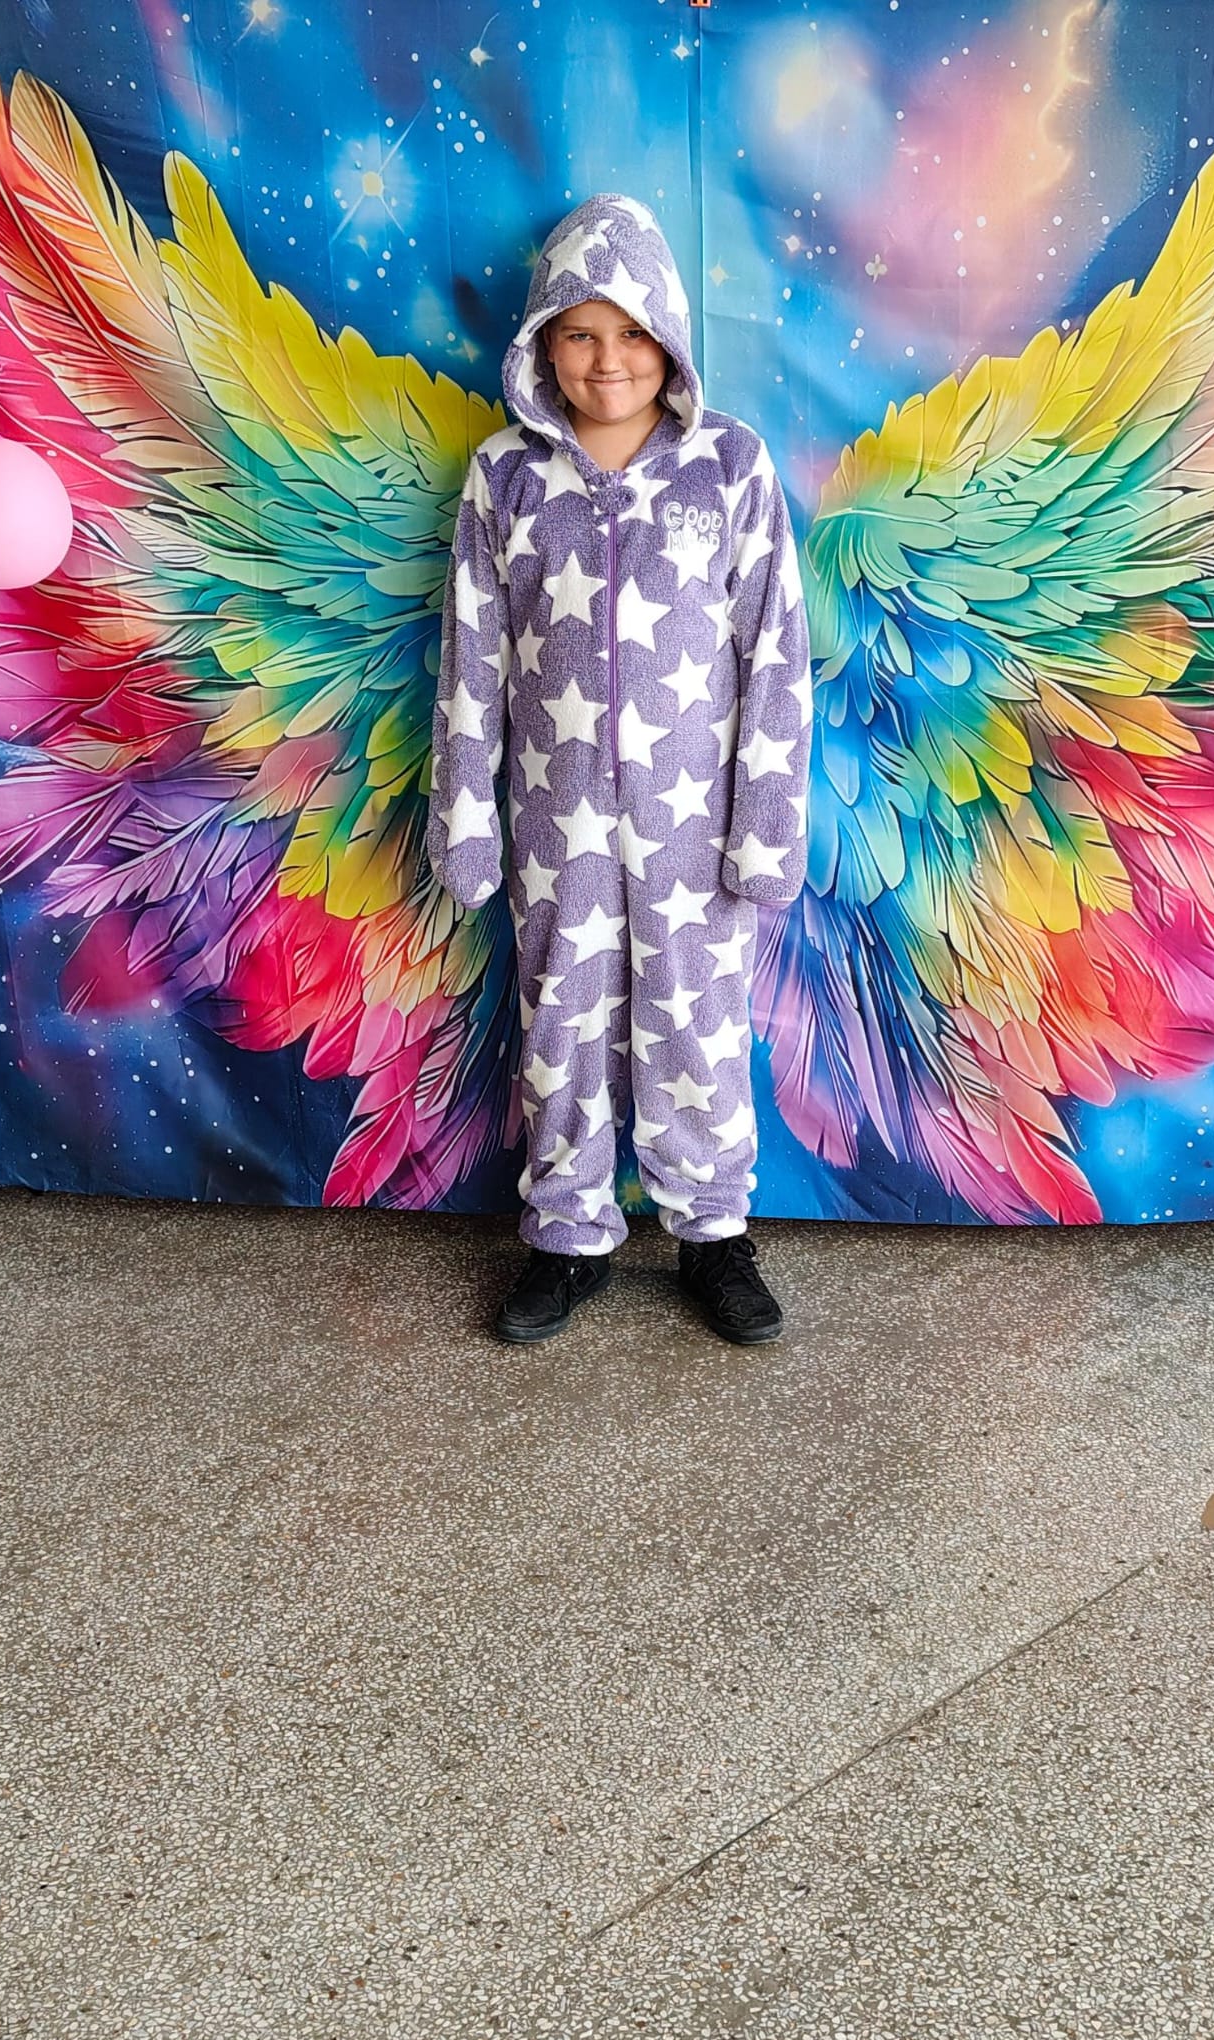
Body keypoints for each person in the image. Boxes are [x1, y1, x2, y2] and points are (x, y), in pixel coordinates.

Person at [428, 193, 811, 1346]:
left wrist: (766, 826)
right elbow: (470, 658)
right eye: (580, 334)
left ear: (670, 339)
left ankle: (713, 1234)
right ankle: (567, 1233)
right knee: (562, 1019)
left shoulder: (728, 466)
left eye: (633, 333)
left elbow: (775, 653)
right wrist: (465, 820)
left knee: (699, 1024)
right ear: (542, 343)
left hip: (700, 828)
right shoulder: (503, 475)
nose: (608, 361)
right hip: (557, 826)